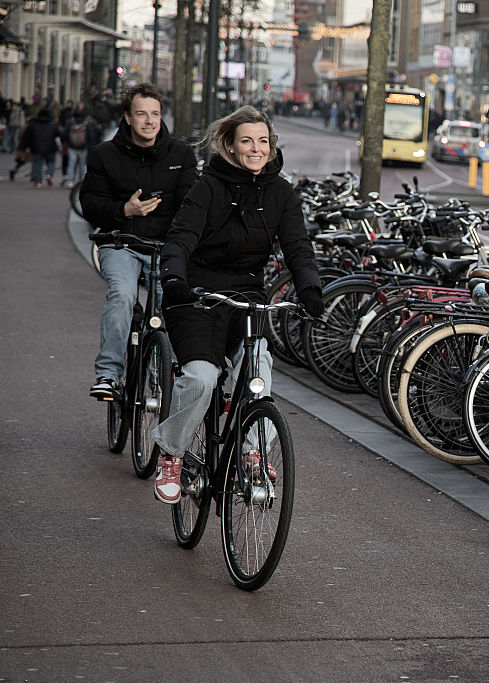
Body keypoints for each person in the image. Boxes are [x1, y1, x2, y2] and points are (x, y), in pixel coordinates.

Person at [150, 105, 323, 504]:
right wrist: (175, 279)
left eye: (263, 141)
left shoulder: (281, 192)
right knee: (200, 378)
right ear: (230, 145)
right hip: (195, 294)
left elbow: (297, 246)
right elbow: (180, 239)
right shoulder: (206, 187)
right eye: (247, 141)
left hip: (246, 295)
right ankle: (172, 452)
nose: (256, 148)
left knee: (258, 367)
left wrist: (310, 288)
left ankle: (251, 450)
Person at [80, 82, 198, 400]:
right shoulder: (104, 155)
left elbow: (192, 205)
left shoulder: (182, 154)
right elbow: (89, 203)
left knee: (174, 303)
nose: (149, 121)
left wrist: (181, 240)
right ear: (128, 118)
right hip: (120, 242)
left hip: (166, 247)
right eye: (142, 114)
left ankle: (174, 371)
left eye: (155, 114)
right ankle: (109, 374)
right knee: (122, 293)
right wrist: (123, 210)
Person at [20, 106, 60, 188]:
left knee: (37, 164)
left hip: (36, 147)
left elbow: (26, 136)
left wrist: (27, 146)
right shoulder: (53, 125)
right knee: (51, 163)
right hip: (50, 148)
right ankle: (49, 174)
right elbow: (59, 134)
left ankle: (38, 182)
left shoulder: (33, 124)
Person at [63, 109, 98, 188]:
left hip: (72, 147)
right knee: (82, 165)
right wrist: (88, 145)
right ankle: (82, 181)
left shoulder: (70, 123)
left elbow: (64, 134)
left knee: (71, 164)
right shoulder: (86, 124)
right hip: (83, 148)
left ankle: (70, 181)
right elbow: (91, 136)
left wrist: (69, 142)